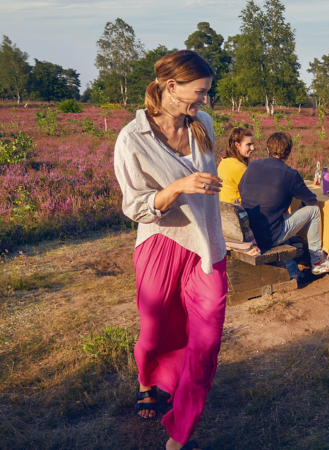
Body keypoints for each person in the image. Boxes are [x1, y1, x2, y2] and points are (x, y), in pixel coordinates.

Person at [113, 50, 224, 450]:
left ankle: (181, 428)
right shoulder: (133, 137)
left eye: (207, 92)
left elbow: (208, 175)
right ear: (171, 87)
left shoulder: (203, 123)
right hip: (161, 242)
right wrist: (178, 187)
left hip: (207, 245)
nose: (204, 100)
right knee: (156, 331)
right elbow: (135, 206)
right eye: (199, 92)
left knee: (207, 338)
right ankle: (148, 381)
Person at [239, 131, 329, 276]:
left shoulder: (254, 165)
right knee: (313, 211)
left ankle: (293, 273)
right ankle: (317, 261)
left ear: (268, 149)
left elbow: (240, 187)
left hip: (249, 231)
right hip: (268, 236)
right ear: (289, 151)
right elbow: (311, 201)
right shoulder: (290, 174)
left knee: (277, 220)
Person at [217, 126, 253, 204]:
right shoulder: (239, 168)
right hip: (239, 212)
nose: (252, 148)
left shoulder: (224, 162)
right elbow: (254, 193)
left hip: (224, 211)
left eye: (252, 144)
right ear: (237, 145)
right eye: (248, 144)